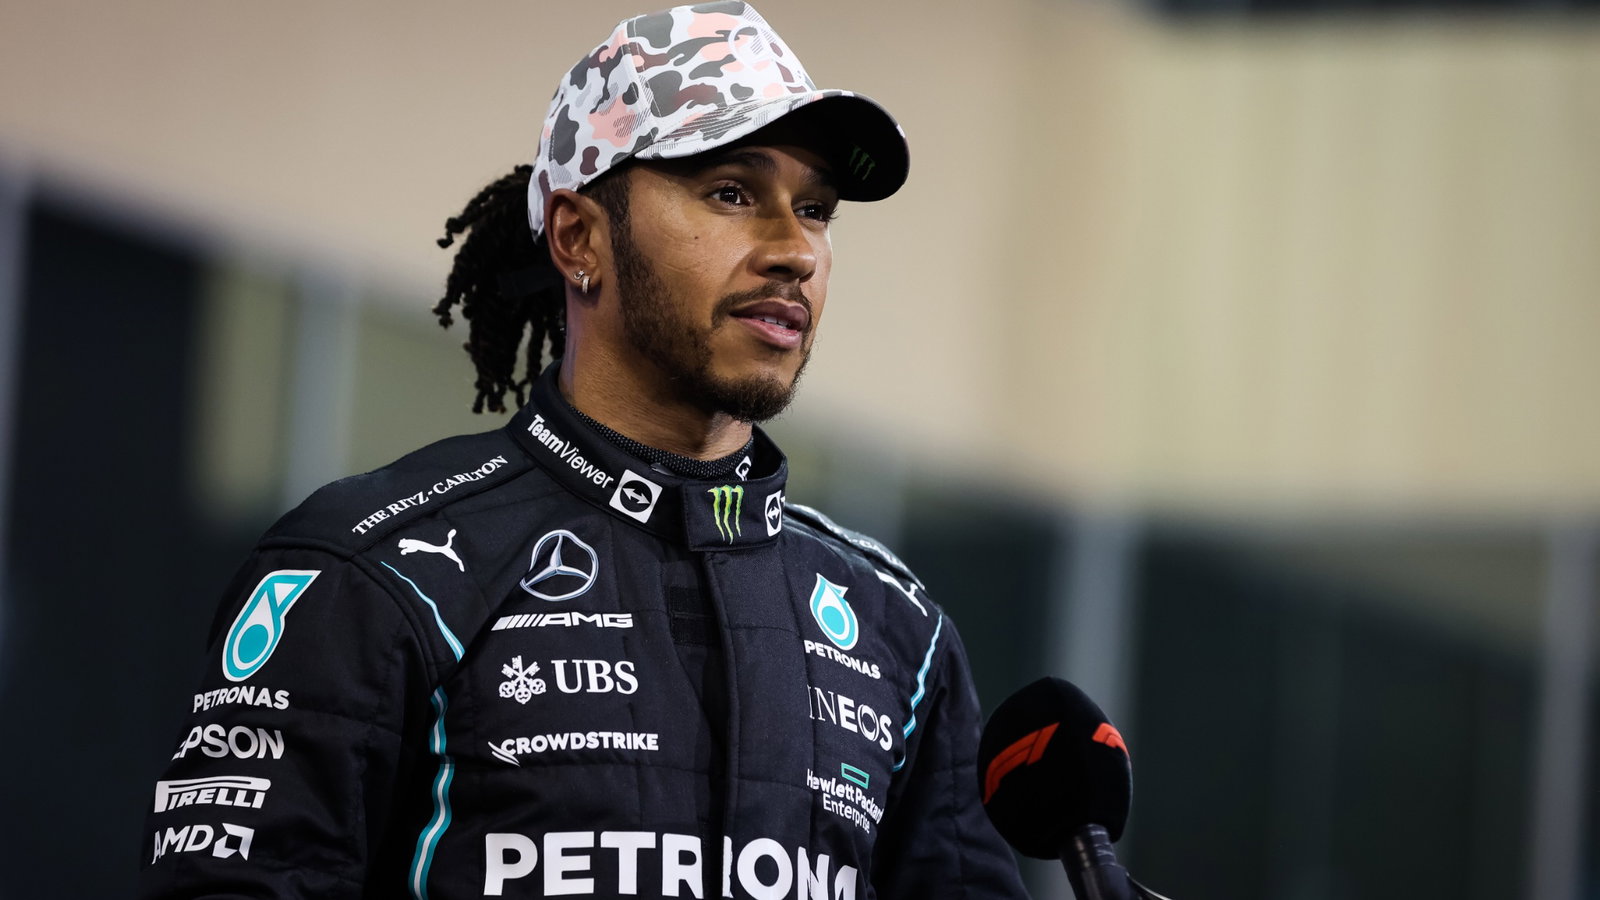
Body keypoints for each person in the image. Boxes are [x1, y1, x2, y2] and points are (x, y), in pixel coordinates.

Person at [138, 4, 1028, 898]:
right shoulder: (371, 571)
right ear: (578, 239)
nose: (795, 250)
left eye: (815, 210)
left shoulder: (896, 633)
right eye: (730, 193)